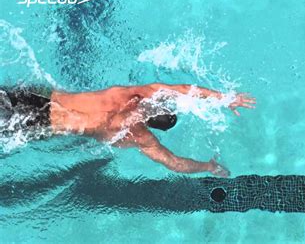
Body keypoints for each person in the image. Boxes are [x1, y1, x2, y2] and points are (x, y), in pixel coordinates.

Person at [0, 83, 256, 177]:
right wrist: (209, 166)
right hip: (41, 124)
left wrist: (223, 97)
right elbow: (174, 163)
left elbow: (182, 89)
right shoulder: (139, 136)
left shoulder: (131, 95)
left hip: (40, 96)